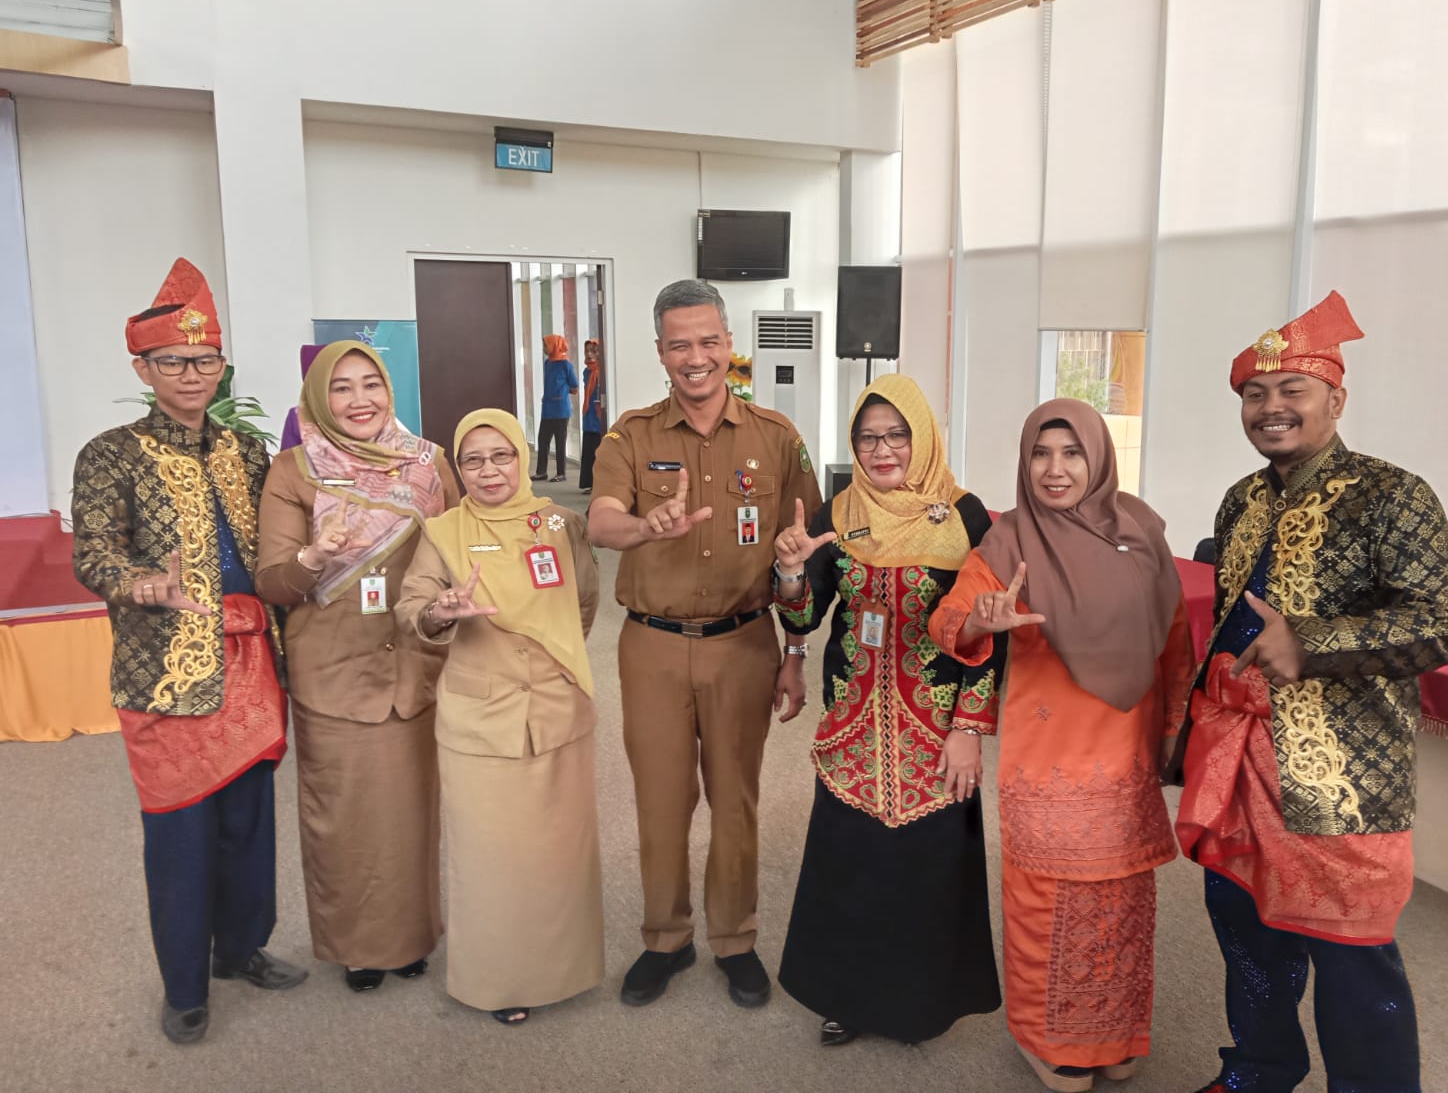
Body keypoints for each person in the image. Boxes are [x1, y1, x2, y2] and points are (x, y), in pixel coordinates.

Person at [1174, 292, 1448, 1093]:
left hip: (1342, 773)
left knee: (1353, 960)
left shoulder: (1393, 495)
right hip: (1238, 760)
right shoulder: (1241, 499)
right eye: (1254, 393)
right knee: (1247, 936)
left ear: (1336, 400)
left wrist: (1312, 642)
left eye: (1291, 389)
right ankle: (1259, 1071)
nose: (1270, 407)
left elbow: (1439, 627)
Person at [71, 257, 306, 1046]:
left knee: (248, 819)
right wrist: (142, 585)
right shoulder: (110, 454)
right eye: (174, 361)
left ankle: (241, 950)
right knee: (179, 830)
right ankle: (183, 985)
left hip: (252, 658)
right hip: (165, 669)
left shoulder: (246, 450)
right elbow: (93, 553)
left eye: (206, 360)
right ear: (142, 368)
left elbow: (280, 543)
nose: (193, 374)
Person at [930, 399, 1194, 1093]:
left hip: (1126, 754)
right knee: (1048, 910)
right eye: (1040, 455)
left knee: (1121, 908)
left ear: (1097, 458)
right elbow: (948, 619)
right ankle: (1049, 1043)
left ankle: (1116, 1037)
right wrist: (980, 619)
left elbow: (1174, 636)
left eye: (1072, 453)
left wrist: (1175, 730)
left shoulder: (1140, 529)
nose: (1055, 469)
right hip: (1048, 761)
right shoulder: (1009, 539)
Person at [588, 278, 821, 1010]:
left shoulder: (776, 438)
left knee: (736, 799)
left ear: (729, 344)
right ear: (660, 352)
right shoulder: (630, 436)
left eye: (709, 341)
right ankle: (666, 938)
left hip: (744, 644)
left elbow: (805, 554)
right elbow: (600, 521)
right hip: (652, 647)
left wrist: (795, 652)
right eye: (679, 344)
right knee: (661, 801)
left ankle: (735, 939)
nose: (696, 358)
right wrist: (645, 527)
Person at [772, 374, 1002, 1046]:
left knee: (927, 871)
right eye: (867, 438)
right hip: (853, 725)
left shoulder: (966, 516)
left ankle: (920, 1005)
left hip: (936, 731)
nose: (882, 450)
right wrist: (790, 573)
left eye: (897, 435)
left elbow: (991, 632)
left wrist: (969, 729)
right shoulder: (837, 513)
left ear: (921, 437)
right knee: (852, 866)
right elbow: (805, 617)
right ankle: (848, 997)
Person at [255, 340, 457, 993]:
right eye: (341, 387)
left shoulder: (427, 463)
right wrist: (314, 558)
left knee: (410, 814)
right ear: (319, 397)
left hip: (416, 663)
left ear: (388, 390)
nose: (359, 399)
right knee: (344, 821)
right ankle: (358, 947)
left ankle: (410, 937)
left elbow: (462, 547)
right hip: (333, 670)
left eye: (371, 384)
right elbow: (273, 581)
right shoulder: (294, 471)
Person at [396, 409, 603, 1024]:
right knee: (491, 860)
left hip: (559, 707)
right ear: (459, 470)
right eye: (473, 460)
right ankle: (499, 983)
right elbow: (411, 608)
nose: (489, 470)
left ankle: (561, 972)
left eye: (502, 455)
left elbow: (584, 601)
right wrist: (441, 611)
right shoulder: (443, 532)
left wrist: (551, 651)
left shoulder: (562, 524)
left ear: (522, 456)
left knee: (558, 853)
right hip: (480, 718)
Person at [534, 334, 580, 483]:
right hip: (547, 409)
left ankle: (561, 473)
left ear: (554, 346)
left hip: (561, 410)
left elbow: (574, 387)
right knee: (543, 440)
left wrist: (561, 392)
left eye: (546, 345)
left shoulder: (566, 365)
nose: (544, 349)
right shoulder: (547, 363)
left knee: (560, 442)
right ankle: (541, 472)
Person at [578, 338, 604, 492]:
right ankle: (590, 483)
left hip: (599, 416)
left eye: (593, 351)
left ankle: (598, 485)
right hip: (589, 415)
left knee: (598, 451)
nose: (589, 354)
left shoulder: (603, 371)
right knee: (589, 450)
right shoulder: (587, 371)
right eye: (587, 351)